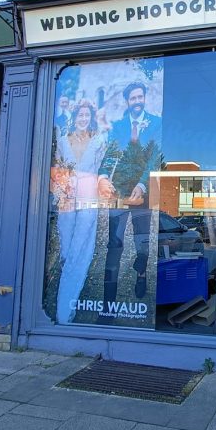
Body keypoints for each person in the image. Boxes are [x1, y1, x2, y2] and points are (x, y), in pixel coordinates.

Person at [98, 81, 163, 304]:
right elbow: (110, 155)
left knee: (142, 240)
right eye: (133, 98)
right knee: (114, 243)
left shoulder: (156, 124)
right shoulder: (117, 126)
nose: (137, 101)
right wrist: (103, 177)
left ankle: (141, 274)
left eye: (139, 97)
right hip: (119, 193)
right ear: (128, 101)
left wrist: (143, 184)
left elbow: (155, 158)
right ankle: (108, 299)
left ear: (144, 98)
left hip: (143, 194)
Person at [52, 100, 107, 324]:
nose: (83, 119)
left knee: (80, 251)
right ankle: (65, 291)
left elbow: (104, 167)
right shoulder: (63, 141)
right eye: (79, 115)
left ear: (90, 118)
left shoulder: (99, 140)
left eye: (86, 115)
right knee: (66, 251)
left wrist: (102, 180)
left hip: (87, 198)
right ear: (74, 117)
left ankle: (65, 309)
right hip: (66, 198)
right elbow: (58, 167)